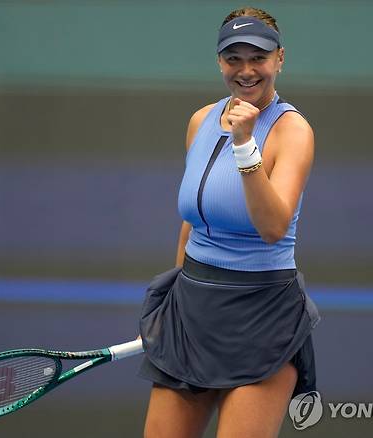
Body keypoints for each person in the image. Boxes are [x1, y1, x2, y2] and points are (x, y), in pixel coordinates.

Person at [138, 7, 320, 438]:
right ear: (220, 62)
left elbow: (273, 227)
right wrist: (178, 300)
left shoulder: (293, 131)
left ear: (279, 58)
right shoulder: (200, 121)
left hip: (262, 318)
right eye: (233, 58)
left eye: (258, 57)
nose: (246, 70)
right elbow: (193, 223)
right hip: (193, 314)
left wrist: (244, 146)